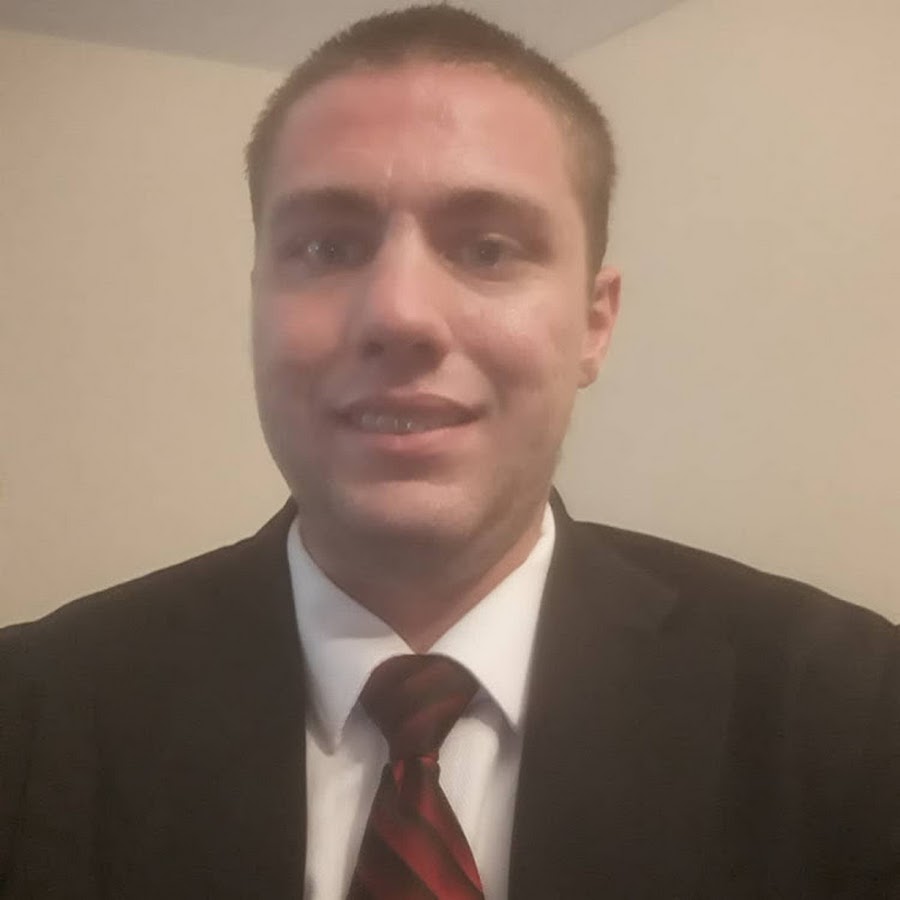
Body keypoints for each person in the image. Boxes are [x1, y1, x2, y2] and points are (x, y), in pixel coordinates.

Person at [1, 5, 897, 898]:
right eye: (328, 246)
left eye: (488, 248)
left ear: (594, 323)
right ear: (258, 304)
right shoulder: (32, 715)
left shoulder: (853, 715)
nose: (400, 314)